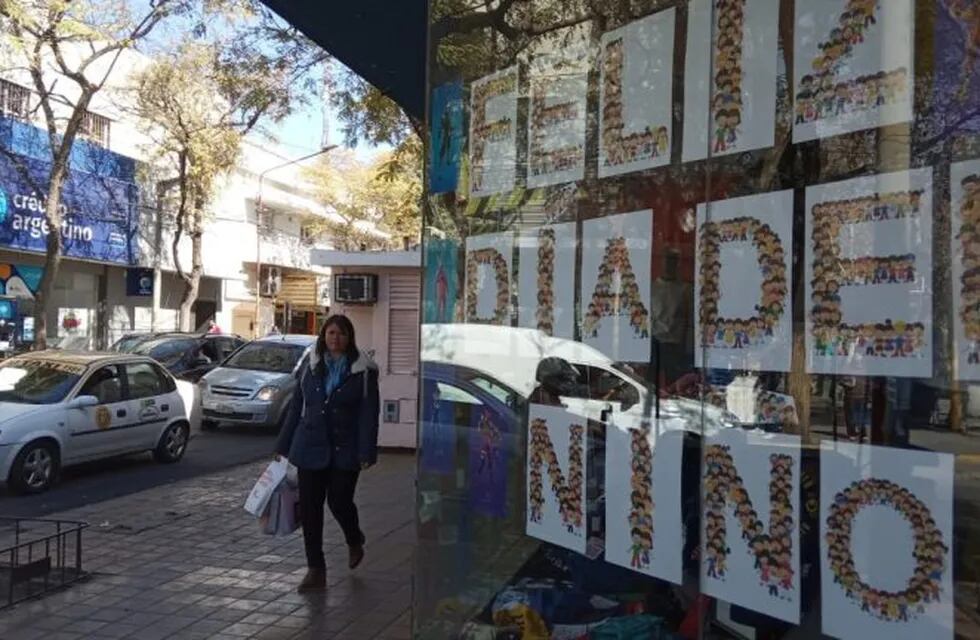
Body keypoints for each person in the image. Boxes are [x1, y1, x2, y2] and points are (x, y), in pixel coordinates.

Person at [275, 314, 381, 592]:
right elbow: (297, 407)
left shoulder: (363, 371)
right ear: (324, 336)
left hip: (345, 450)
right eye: (331, 333)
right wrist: (282, 447)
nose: (336, 339)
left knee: (339, 501)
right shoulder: (310, 367)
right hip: (309, 446)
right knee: (310, 510)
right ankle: (315, 569)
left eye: (342, 334)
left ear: (350, 338)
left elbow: (369, 415)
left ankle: (354, 537)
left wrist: (366, 451)